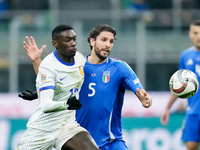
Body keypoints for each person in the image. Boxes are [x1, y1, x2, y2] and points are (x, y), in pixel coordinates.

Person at [19, 24, 152, 150]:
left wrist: (146, 100)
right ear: (92, 41)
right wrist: (37, 64)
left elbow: (143, 95)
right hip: (77, 139)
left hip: (112, 141)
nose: (107, 45)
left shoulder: (120, 68)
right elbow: (52, 80)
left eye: (111, 41)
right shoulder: (79, 65)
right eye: (104, 40)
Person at [17, 25, 99, 150]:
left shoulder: (79, 59)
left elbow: (61, 83)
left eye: (74, 39)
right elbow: (45, 105)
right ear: (55, 43)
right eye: (67, 40)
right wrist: (65, 104)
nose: (73, 43)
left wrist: (40, 91)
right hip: (42, 129)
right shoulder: (48, 65)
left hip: (67, 126)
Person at [161, 20, 200, 150]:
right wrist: (167, 108)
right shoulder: (186, 56)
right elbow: (179, 86)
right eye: (195, 33)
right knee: (191, 145)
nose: (198, 36)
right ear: (190, 34)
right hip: (193, 111)